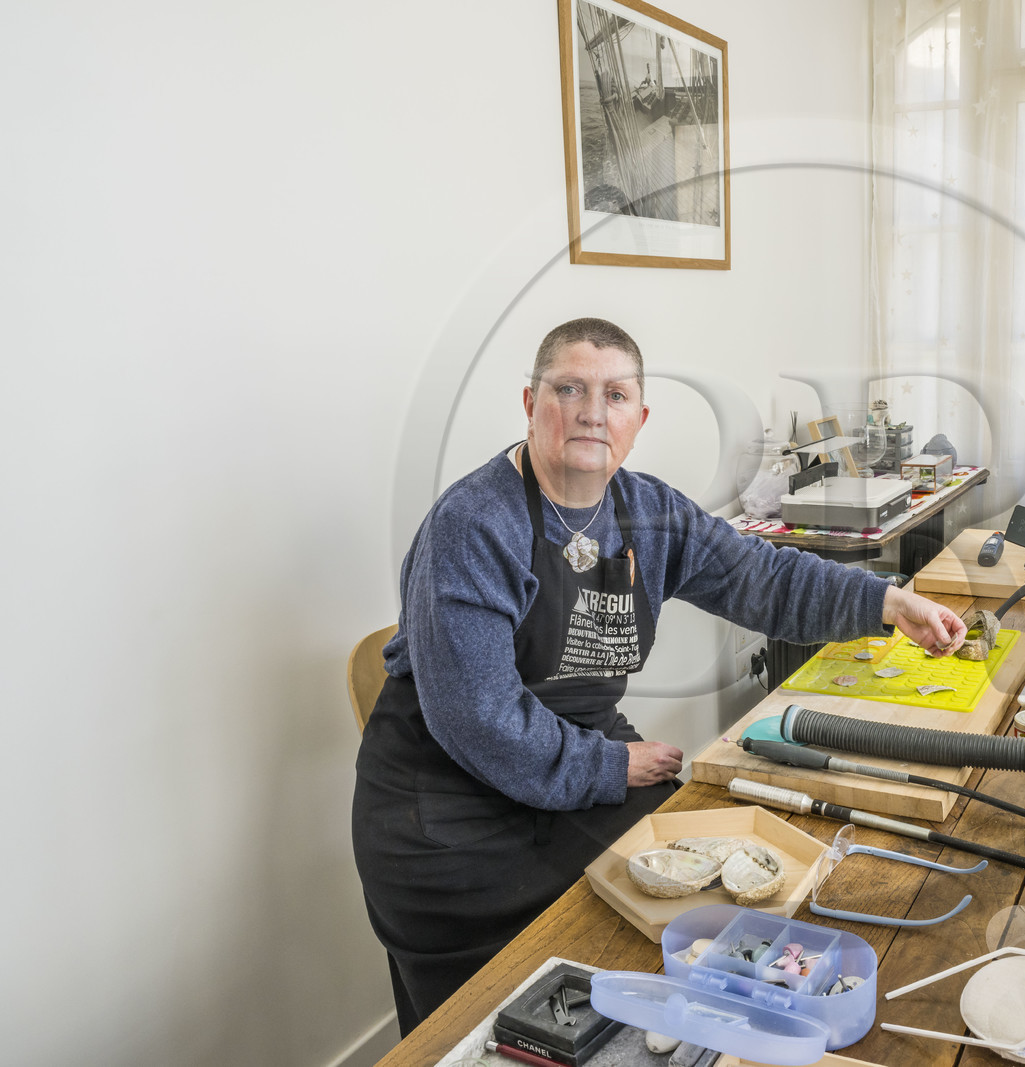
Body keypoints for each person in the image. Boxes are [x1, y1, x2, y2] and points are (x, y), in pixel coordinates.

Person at [352, 317, 966, 1033]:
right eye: (569, 388)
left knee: (687, 920)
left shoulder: (647, 512)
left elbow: (761, 576)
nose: (591, 410)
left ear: (638, 419)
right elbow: (477, 718)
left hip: (569, 774)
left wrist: (886, 602)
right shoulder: (473, 525)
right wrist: (611, 763)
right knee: (502, 1030)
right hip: (448, 816)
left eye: (614, 394)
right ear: (530, 403)